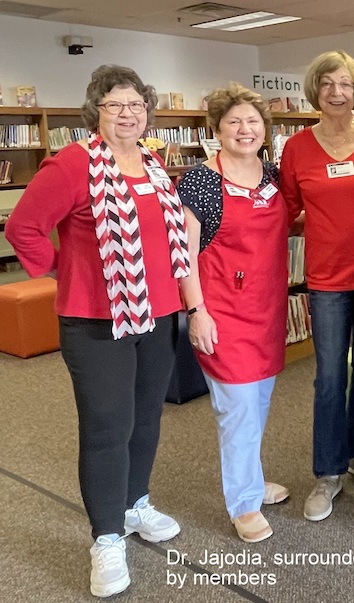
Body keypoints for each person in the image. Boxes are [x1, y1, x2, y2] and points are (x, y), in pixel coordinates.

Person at [5, 64, 186, 598]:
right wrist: (66, 268)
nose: (128, 114)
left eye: (136, 105)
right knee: (108, 428)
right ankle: (107, 538)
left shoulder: (152, 162)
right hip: (95, 319)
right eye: (116, 105)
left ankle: (134, 504)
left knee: (146, 418)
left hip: (157, 313)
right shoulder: (72, 164)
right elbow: (23, 228)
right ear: (96, 112)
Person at [279, 50, 354, 522]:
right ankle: (327, 474)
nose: (335, 91)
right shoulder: (296, 148)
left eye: (344, 83)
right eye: (326, 83)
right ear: (314, 90)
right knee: (329, 376)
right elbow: (286, 210)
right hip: (327, 278)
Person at [176, 84, 289, 543]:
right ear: (216, 129)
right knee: (237, 410)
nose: (245, 130)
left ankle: (253, 480)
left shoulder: (275, 176)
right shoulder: (200, 181)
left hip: (267, 311)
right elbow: (183, 254)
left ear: (265, 128)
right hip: (221, 312)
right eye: (234, 122)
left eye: (253, 121)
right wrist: (196, 311)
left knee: (256, 407)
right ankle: (244, 503)